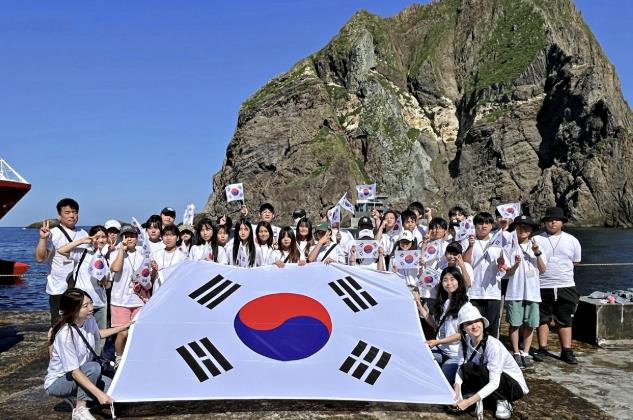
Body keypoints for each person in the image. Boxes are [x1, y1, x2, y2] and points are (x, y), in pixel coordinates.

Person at [45, 288, 133, 420]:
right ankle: (80, 409)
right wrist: (99, 394)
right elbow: (75, 373)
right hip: (59, 381)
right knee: (93, 368)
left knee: (115, 393)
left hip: (83, 373)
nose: (91, 308)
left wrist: (124, 327)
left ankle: (78, 396)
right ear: (73, 310)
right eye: (85, 306)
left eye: (91, 303)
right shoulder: (65, 335)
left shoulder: (88, 319)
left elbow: (98, 334)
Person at [452, 303, 528, 419]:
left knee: (484, 369)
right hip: (490, 378)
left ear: (482, 323)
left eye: (477, 321)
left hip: (512, 386)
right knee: (467, 367)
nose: (474, 326)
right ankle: (484, 397)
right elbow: (460, 369)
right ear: (463, 328)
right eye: (469, 323)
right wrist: (457, 391)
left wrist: (468, 402)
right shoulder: (464, 342)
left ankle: (502, 400)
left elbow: (494, 382)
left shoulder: (492, 345)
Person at [532, 207, 582, 364]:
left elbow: (576, 262)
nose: (553, 222)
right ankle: (542, 349)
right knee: (542, 319)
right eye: (549, 220)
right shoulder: (536, 239)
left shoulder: (572, 240)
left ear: (563, 222)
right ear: (545, 222)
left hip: (566, 285)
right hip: (541, 285)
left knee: (565, 319)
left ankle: (566, 351)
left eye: (557, 220)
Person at [57, 225, 111, 355]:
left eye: (103, 237)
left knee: (99, 337)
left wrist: (104, 280)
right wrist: (82, 241)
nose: (101, 240)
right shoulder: (83, 252)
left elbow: (108, 285)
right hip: (82, 303)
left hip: (100, 302)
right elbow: (61, 250)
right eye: (97, 237)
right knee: (79, 334)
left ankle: (97, 360)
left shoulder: (106, 257)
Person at [35, 198, 89, 326]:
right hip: (58, 288)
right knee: (58, 325)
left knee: (78, 323)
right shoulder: (53, 233)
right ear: (59, 216)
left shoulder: (83, 234)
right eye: (67, 212)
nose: (72, 215)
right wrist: (43, 239)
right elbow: (40, 258)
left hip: (79, 288)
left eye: (74, 212)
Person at [502, 215, 546, 369]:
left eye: (527, 227)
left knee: (530, 324)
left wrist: (537, 253)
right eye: (520, 226)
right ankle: (516, 352)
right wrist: (515, 264)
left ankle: (525, 352)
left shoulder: (537, 246)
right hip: (515, 291)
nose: (523, 229)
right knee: (515, 323)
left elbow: (543, 269)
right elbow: (508, 272)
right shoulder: (509, 247)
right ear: (515, 228)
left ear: (531, 230)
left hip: (533, 292)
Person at [419, 267, 469, 385]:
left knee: (442, 382)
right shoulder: (445, 302)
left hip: (456, 355)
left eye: (452, 279)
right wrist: (420, 307)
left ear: (459, 281)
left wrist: (438, 341)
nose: (449, 283)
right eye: (445, 280)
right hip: (441, 350)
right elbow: (436, 325)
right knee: (421, 364)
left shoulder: (465, 305)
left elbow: (460, 334)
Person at [463, 212, 504, 338]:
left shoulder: (498, 240)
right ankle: (475, 349)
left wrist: (501, 262)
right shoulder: (468, 240)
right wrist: (470, 246)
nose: (484, 226)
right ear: (475, 226)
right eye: (480, 223)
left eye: (487, 223)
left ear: (491, 225)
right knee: (474, 327)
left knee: (492, 328)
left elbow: (504, 263)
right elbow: (465, 262)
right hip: (474, 291)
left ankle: (491, 349)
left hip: (493, 291)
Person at [109, 225, 145, 367]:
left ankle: (133, 358)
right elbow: (115, 268)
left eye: (132, 236)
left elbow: (146, 275)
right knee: (122, 333)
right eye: (126, 236)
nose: (129, 239)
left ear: (137, 238)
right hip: (120, 300)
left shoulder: (142, 253)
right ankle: (119, 358)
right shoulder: (115, 252)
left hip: (139, 300)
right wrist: (121, 251)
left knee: (136, 332)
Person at [150, 224, 188, 293]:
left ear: (178, 238)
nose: (168, 238)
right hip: (158, 290)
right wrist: (154, 270)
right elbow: (151, 278)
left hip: (174, 291)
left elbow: (185, 277)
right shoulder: (155, 254)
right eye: (165, 235)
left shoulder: (183, 257)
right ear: (162, 237)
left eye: (172, 235)